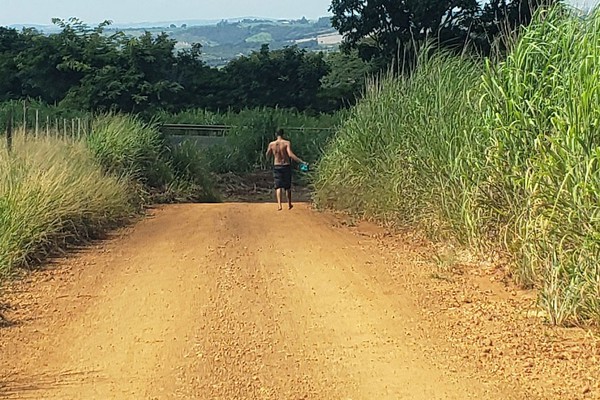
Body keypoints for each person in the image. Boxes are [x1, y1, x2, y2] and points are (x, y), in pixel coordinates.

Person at [265, 128, 307, 210]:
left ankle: (279, 205)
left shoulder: (271, 144)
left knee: (278, 186)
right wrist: (301, 161)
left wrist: (269, 158)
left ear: (276, 134)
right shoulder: (286, 143)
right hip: (286, 165)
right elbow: (290, 154)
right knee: (287, 186)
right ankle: (289, 204)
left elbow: (267, 154)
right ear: (283, 134)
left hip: (277, 165)